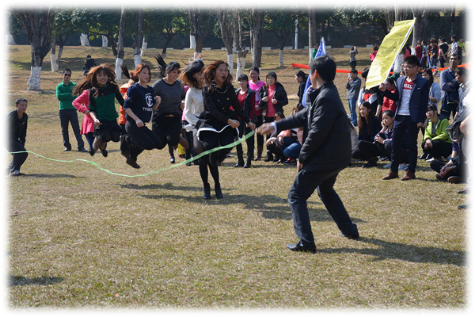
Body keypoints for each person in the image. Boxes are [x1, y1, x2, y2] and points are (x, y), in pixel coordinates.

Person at [257, 55, 359, 253]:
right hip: (336, 156)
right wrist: (275, 124)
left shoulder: (326, 97)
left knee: (296, 194)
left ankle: (307, 242)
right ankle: (349, 230)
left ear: (315, 73)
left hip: (328, 157)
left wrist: (302, 158)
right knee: (326, 191)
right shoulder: (324, 93)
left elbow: (317, 133)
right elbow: (304, 116)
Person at [196, 60, 255, 199]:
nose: (224, 73)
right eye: (221, 70)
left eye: (226, 70)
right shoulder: (207, 89)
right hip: (210, 121)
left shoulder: (229, 88)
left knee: (228, 143)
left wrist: (248, 121)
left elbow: (237, 107)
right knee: (208, 148)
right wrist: (229, 121)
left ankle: (216, 177)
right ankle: (207, 186)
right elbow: (212, 110)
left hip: (226, 122)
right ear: (214, 72)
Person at [380, 55, 430, 181]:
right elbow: (396, 96)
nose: (406, 69)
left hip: (413, 118)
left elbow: (423, 103)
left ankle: (411, 171)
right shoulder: (401, 80)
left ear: (417, 68)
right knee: (395, 144)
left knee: (411, 145)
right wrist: (385, 91)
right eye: (404, 66)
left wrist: (420, 119)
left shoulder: (423, 82)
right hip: (399, 116)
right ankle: (393, 171)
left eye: (409, 67)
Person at [181, 59, 222, 198]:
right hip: (198, 126)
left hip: (212, 126)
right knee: (201, 155)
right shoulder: (191, 92)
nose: (202, 75)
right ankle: (206, 186)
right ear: (193, 75)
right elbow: (187, 113)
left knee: (212, 157)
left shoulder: (212, 87)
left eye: (203, 72)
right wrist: (198, 123)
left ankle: (217, 185)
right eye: (199, 73)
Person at [75, 64, 124, 157]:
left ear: (108, 76)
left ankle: (102, 147)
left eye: (105, 75)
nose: (102, 77)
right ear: (95, 77)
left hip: (112, 119)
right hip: (100, 121)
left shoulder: (113, 88)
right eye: (100, 75)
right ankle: (93, 148)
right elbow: (91, 109)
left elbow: (122, 102)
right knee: (104, 137)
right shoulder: (92, 91)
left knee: (116, 137)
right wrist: (94, 118)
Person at [120, 63, 162, 168]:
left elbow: (152, 107)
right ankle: (127, 139)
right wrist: (136, 119)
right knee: (149, 145)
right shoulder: (134, 89)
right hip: (132, 124)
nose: (147, 75)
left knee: (157, 143)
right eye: (144, 73)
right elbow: (127, 107)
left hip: (142, 124)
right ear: (138, 74)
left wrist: (158, 102)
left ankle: (131, 156)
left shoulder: (150, 89)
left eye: (148, 73)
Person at [152, 54, 188, 164]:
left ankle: (188, 150)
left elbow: (184, 96)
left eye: (178, 72)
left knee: (173, 140)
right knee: (159, 144)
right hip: (160, 118)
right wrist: (156, 101)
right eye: (174, 72)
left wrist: (183, 102)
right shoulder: (158, 84)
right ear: (167, 71)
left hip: (174, 117)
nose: (176, 75)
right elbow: (149, 98)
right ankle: (173, 137)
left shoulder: (179, 84)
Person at [258, 71, 288, 162]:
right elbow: (260, 102)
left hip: (276, 116)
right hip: (266, 115)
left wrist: (277, 102)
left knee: (277, 135)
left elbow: (286, 101)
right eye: (268, 78)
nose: (270, 80)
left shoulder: (280, 88)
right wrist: (262, 100)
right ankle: (269, 154)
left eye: (272, 78)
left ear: (275, 79)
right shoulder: (264, 89)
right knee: (268, 135)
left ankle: (277, 154)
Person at [56, 69, 87, 152]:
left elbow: (76, 96)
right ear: (62, 75)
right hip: (62, 110)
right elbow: (59, 96)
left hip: (73, 110)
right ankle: (67, 146)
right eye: (66, 74)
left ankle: (81, 146)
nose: (67, 76)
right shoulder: (59, 86)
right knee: (64, 129)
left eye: (69, 75)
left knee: (76, 128)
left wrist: (65, 96)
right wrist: (70, 94)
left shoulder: (74, 85)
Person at [2, 98, 29, 176]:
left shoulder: (25, 116)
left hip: (14, 139)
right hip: (5, 138)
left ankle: (7, 170)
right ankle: (14, 171)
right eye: (22, 105)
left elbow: (23, 131)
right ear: (16, 106)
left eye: (25, 105)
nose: (24, 107)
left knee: (24, 153)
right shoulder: (11, 116)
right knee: (18, 151)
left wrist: (22, 142)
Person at [235, 74, 256, 168]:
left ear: (247, 81)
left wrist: (249, 121)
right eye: (239, 80)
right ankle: (240, 160)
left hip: (247, 120)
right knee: (237, 140)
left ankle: (248, 161)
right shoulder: (236, 92)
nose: (241, 82)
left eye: (243, 80)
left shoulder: (251, 93)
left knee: (249, 141)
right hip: (237, 120)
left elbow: (252, 108)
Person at [351, 101, 381, 168]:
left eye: (363, 109)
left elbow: (380, 133)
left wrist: (375, 141)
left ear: (369, 110)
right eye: (360, 109)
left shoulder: (375, 120)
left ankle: (372, 159)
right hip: (365, 146)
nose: (361, 111)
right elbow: (361, 137)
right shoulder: (361, 121)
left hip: (376, 145)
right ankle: (371, 160)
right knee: (354, 154)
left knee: (361, 143)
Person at [248, 66, 267, 161]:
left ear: (258, 74)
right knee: (250, 134)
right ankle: (250, 154)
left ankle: (259, 154)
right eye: (251, 73)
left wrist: (260, 105)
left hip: (259, 113)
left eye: (254, 73)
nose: (253, 75)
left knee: (259, 134)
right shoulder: (247, 84)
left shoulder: (262, 84)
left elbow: (266, 96)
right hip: (250, 114)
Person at [440, 53, 460, 120]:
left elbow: (462, 85)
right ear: (449, 60)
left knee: (457, 121)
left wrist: (450, 84)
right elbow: (444, 86)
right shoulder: (444, 73)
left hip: (458, 100)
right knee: (443, 120)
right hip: (446, 100)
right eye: (451, 59)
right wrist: (455, 85)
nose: (453, 61)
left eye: (455, 59)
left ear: (458, 61)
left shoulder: (461, 73)